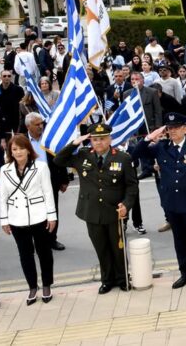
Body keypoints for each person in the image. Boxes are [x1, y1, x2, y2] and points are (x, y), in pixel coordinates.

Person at [54, 124, 138, 294]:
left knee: (118, 248)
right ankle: (107, 280)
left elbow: (132, 186)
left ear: (110, 139)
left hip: (114, 211)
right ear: (90, 140)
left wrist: (126, 205)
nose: (99, 142)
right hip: (91, 211)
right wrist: (74, 143)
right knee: (101, 248)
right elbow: (58, 160)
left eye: (102, 139)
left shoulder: (122, 158)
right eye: (95, 139)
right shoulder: (83, 155)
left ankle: (123, 278)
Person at [134, 113, 186, 288]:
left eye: (176, 127)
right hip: (171, 202)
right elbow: (135, 153)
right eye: (169, 128)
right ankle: (185, 273)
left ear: (185, 129)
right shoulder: (161, 147)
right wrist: (149, 137)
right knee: (179, 240)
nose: (172, 131)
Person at [0, 134, 57, 305]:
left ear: (29, 150)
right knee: (25, 255)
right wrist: (4, 220)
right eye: (14, 149)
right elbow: (3, 196)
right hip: (17, 219)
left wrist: (52, 216)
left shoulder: (41, 167)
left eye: (21, 148)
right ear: (10, 152)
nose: (18, 152)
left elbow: (48, 192)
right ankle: (32, 287)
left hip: (39, 216)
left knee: (44, 253)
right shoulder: (4, 170)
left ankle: (47, 285)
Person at [24, 112, 70, 249]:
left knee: (52, 210)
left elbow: (60, 158)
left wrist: (64, 180)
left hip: (50, 180)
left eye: (41, 123)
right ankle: (36, 240)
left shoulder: (50, 139)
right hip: (30, 183)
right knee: (33, 211)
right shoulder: (22, 141)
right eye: (37, 124)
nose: (40, 126)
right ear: (28, 126)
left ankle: (51, 239)